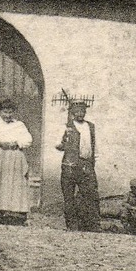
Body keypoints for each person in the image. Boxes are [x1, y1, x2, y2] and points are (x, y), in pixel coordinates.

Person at [0, 99, 35, 226]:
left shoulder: (19, 125)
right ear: (0, 112)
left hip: (14, 157)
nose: (8, 115)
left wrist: (17, 143)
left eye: (10, 112)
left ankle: (14, 214)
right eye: (5, 112)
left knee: (14, 183)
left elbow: (28, 140)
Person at [54, 99, 101, 232]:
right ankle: (72, 225)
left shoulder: (90, 126)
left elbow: (94, 145)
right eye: (77, 111)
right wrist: (65, 142)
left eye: (83, 111)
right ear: (72, 112)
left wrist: (93, 161)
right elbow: (58, 145)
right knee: (69, 196)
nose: (80, 114)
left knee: (90, 194)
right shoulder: (66, 126)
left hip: (86, 165)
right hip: (69, 166)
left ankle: (91, 224)